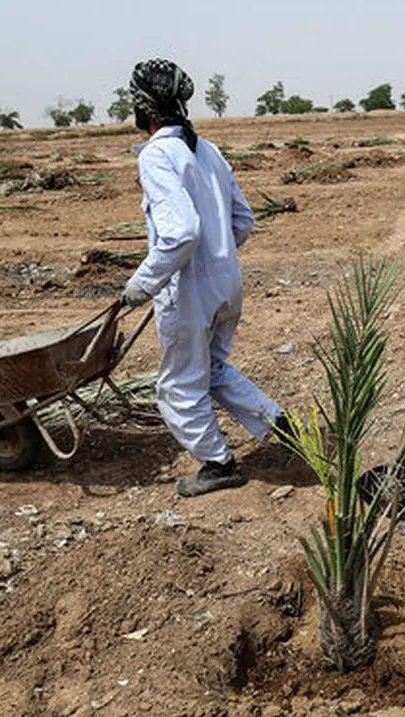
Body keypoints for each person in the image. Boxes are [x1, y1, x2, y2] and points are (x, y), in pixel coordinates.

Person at [121, 58, 289, 497]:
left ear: (143, 107)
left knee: (178, 385)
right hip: (226, 282)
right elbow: (243, 220)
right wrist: (219, 257)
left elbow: (180, 234)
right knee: (212, 368)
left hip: (189, 289)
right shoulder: (207, 149)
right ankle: (277, 422)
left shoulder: (158, 154)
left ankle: (217, 463)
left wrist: (144, 282)